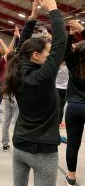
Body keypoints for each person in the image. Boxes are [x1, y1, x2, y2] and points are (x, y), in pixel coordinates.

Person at [3, 0, 67, 186]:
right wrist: (53, 9)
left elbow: (23, 46)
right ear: (37, 56)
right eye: (47, 53)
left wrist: (32, 17)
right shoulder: (43, 76)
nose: (50, 55)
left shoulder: (18, 69)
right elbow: (60, 42)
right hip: (42, 151)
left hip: (20, 145)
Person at [64, 20, 85, 186]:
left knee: (73, 143)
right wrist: (82, 30)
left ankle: (71, 176)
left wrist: (70, 34)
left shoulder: (72, 64)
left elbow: (65, 52)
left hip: (74, 107)